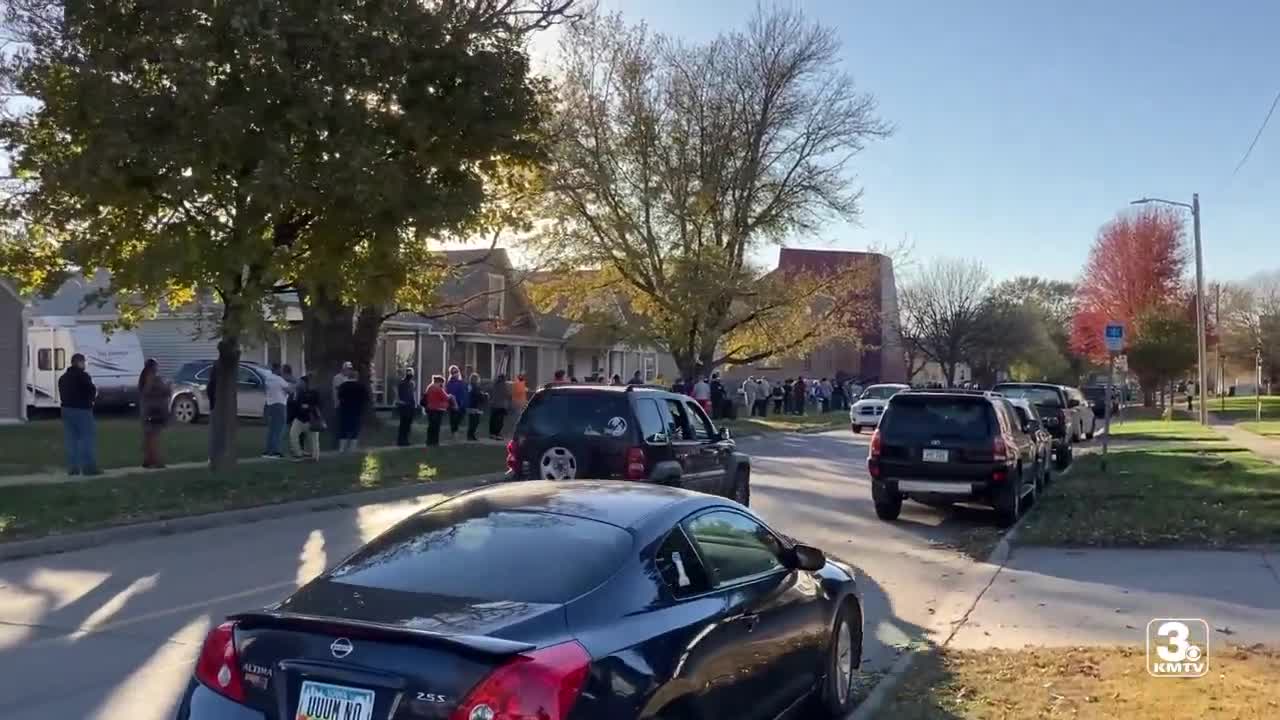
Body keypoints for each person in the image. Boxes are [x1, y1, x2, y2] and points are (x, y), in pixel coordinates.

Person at [59, 353, 100, 476]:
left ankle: (73, 468)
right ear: (79, 362)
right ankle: (89, 467)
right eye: (83, 362)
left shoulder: (63, 378)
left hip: (66, 409)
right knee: (87, 438)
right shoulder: (83, 376)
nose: (85, 365)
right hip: (82, 409)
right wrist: (91, 400)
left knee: (71, 439)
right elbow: (92, 390)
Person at [137, 358, 170, 468]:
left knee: (148, 436)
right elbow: (161, 391)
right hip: (153, 410)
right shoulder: (152, 378)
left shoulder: (143, 377)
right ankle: (155, 460)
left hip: (147, 410)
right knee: (153, 437)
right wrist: (167, 387)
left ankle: (148, 459)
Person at [289, 374, 322, 459]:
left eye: (301, 382)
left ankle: (315, 456)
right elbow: (294, 405)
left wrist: (308, 406)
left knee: (313, 440)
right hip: (299, 419)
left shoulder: (314, 392)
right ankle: (298, 454)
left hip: (311, 419)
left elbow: (319, 405)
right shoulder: (298, 392)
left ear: (306, 383)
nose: (299, 383)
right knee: (293, 435)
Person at [336, 366, 367, 452]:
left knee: (343, 429)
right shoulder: (361, 387)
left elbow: (339, 397)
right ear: (357, 377)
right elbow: (365, 399)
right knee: (354, 430)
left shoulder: (343, 386)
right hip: (356, 411)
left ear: (348, 376)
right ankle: (352, 449)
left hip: (344, 411)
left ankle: (342, 448)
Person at [262, 367, 291, 458]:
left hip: (270, 404)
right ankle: (275, 451)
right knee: (279, 429)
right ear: (277, 370)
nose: (281, 371)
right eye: (280, 370)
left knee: (272, 429)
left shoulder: (268, 379)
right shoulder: (279, 379)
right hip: (279, 405)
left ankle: (268, 451)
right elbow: (290, 390)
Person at [423, 375, 450, 446]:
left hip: (429, 409)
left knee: (431, 426)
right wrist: (450, 396)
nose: (442, 385)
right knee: (436, 426)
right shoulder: (438, 388)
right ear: (439, 382)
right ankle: (435, 442)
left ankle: (429, 441)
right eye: (442, 383)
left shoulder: (429, 387)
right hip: (437, 409)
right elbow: (446, 397)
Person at [445, 366, 469, 438]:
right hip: (452, 403)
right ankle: (454, 432)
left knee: (459, 417)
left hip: (461, 403)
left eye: (456, 372)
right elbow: (448, 393)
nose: (455, 374)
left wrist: (464, 402)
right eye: (453, 372)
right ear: (451, 374)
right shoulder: (449, 383)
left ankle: (455, 431)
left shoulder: (461, 382)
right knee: (453, 418)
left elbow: (464, 393)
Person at [395, 368, 417, 446]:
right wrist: (399, 401)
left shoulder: (412, 383)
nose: (409, 375)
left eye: (411, 373)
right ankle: (401, 441)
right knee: (403, 424)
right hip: (404, 406)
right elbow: (397, 393)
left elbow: (412, 394)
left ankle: (406, 440)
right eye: (408, 373)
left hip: (410, 406)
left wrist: (414, 404)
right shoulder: (402, 383)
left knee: (408, 424)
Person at [466, 373, 488, 441]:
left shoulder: (470, 386)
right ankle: (471, 435)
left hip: (470, 405)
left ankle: (470, 435)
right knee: (475, 422)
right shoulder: (475, 387)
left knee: (472, 421)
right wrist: (485, 395)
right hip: (475, 406)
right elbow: (478, 395)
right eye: (478, 379)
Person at [490, 373, 511, 439]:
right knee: (499, 421)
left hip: (494, 406)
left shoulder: (494, 385)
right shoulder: (504, 385)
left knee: (493, 420)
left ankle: (492, 433)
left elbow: (491, 393)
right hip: (501, 406)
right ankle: (497, 434)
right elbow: (507, 395)